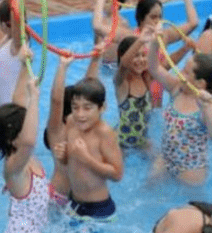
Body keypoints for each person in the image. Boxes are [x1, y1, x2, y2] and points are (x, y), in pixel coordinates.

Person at [0, 69, 48, 233]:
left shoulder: (26, 157)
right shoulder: (14, 165)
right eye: (26, 126)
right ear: (13, 138)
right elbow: (29, 140)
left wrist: (22, 65)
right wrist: (35, 99)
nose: (32, 128)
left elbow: (18, 101)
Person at [148, 27, 212, 186]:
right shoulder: (177, 89)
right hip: (165, 157)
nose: (179, 73)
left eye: (185, 72)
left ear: (200, 83)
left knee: (187, 206)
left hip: (190, 169)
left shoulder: (208, 108)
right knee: (148, 188)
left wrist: (206, 107)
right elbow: (154, 69)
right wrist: (155, 45)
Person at [55, 76, 124, 221]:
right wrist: (62, 155)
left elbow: (117, 174)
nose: (80, 114)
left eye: (87, 108)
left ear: (102, 108)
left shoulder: (104, 133)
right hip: (74, 203)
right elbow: (68, 162)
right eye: (75, 107)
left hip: (99, 209)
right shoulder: (70, 122)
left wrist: (87, 159)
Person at [41, 47, 105, 206]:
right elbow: (56, 101)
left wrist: (96, 60)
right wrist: (62, 67)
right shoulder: (57, 133)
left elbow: (90, 89)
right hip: (61, 198)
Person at [113, 34, 155, 150]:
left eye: (143, 55)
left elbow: (166, 66)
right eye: (136, 56)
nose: (141, 60)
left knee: (161, 162)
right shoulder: (122, 83)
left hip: (142, 139)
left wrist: (186, 48)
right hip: (121, 142)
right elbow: (123, 64)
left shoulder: (145, 77)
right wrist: (141, 40)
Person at [0, 0, 25, 107]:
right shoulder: (5, 39)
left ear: (4, 24)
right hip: (2, 105)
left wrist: (14, 11)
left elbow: (17, 31)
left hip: (13, 107)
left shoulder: (18, 45)